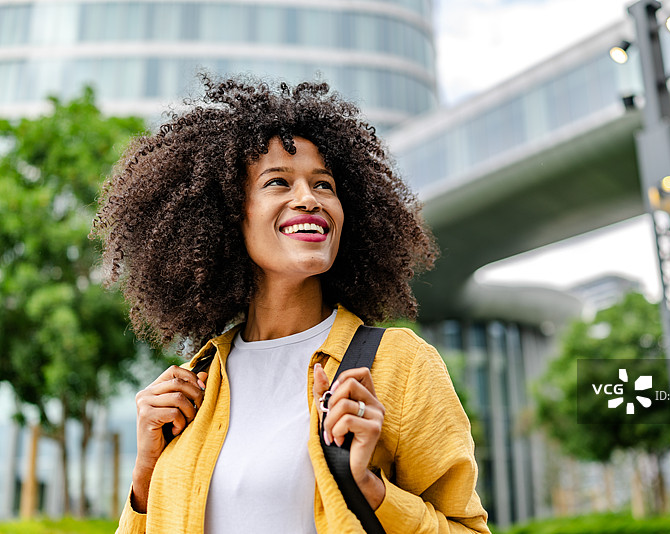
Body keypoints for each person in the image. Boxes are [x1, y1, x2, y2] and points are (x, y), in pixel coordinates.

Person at [92, 76, 490, 534]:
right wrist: (146, 474)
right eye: (278, 182)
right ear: (226, 216)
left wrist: (370, 489)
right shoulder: (197, 384)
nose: (308, 199)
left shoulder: (400, 366)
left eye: (324, 185)